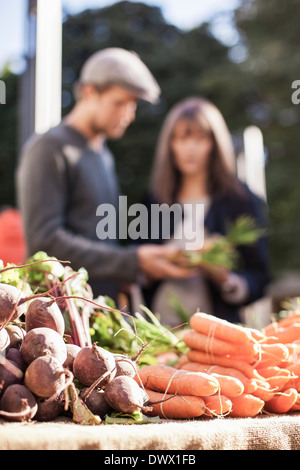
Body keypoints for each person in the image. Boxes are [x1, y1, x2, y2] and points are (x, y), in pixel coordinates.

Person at [16, 48, 195, 303]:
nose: (129, 115)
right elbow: (45, 242)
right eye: (120, 102)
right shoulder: (49, 148)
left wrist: (127, 272)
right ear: (90, 92)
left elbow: (98, 237)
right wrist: (132, 261)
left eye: (134, 104)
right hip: (61, 315)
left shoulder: (103, 155)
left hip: (99, 309)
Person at [139, 96, 270, 325]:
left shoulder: (241, 200)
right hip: (159, 331)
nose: (190, 148)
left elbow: (260, 277)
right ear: (170, 145)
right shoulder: (154, 201)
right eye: (181, 138)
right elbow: (135, 269)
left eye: (200, 139)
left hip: (218, 331)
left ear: (215, 144)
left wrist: (225, 278)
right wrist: (161, 262)